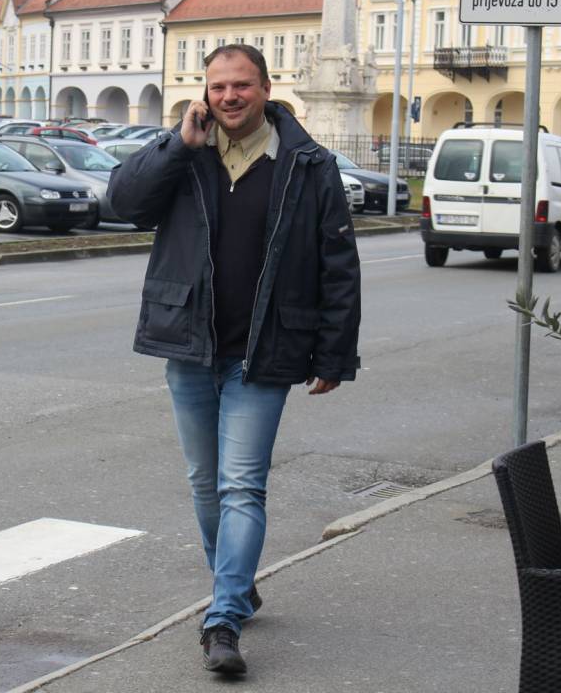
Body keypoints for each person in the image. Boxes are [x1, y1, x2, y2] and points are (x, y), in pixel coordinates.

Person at [107, 44, 361, 677]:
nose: (229, 96)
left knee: (241, 484)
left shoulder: (307, 164)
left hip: (264, 350)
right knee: (205, 483)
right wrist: (176, 143)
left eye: (241, 85)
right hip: (190, 345)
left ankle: (222, 618)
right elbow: (125, 203)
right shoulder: (186, 155)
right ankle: (237, 585)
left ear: (266, 89)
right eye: (217, 86)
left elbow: (338, 264)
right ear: (205, 92)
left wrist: (334, 352)